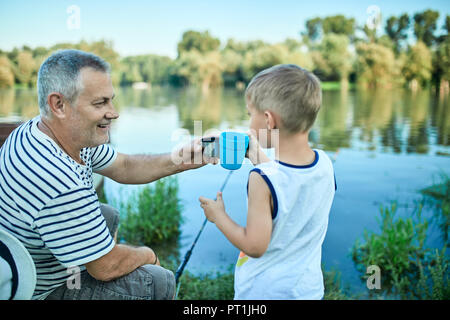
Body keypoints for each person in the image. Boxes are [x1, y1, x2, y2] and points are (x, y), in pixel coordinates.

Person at [0, 49, 211, 300]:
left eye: (111, 100)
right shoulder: (58, 179)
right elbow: (105, 267)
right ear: (58, 105)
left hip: (34, 255)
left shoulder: (45, 130)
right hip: (38, 290)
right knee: (158, 280)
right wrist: (147, 254)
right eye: (100, 103)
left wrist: (180, 160)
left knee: (107, 214)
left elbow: (124, 166)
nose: (113, 112)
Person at [199, 64, 336, 300]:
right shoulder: (324, 164)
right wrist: (258, 157)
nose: (249, 122)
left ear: (269, 120)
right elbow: (290, 184)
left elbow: (254, 246)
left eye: (250, 114)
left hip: (265, 293)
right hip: (308, 291)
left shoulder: (260, 180)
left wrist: (218, 216)